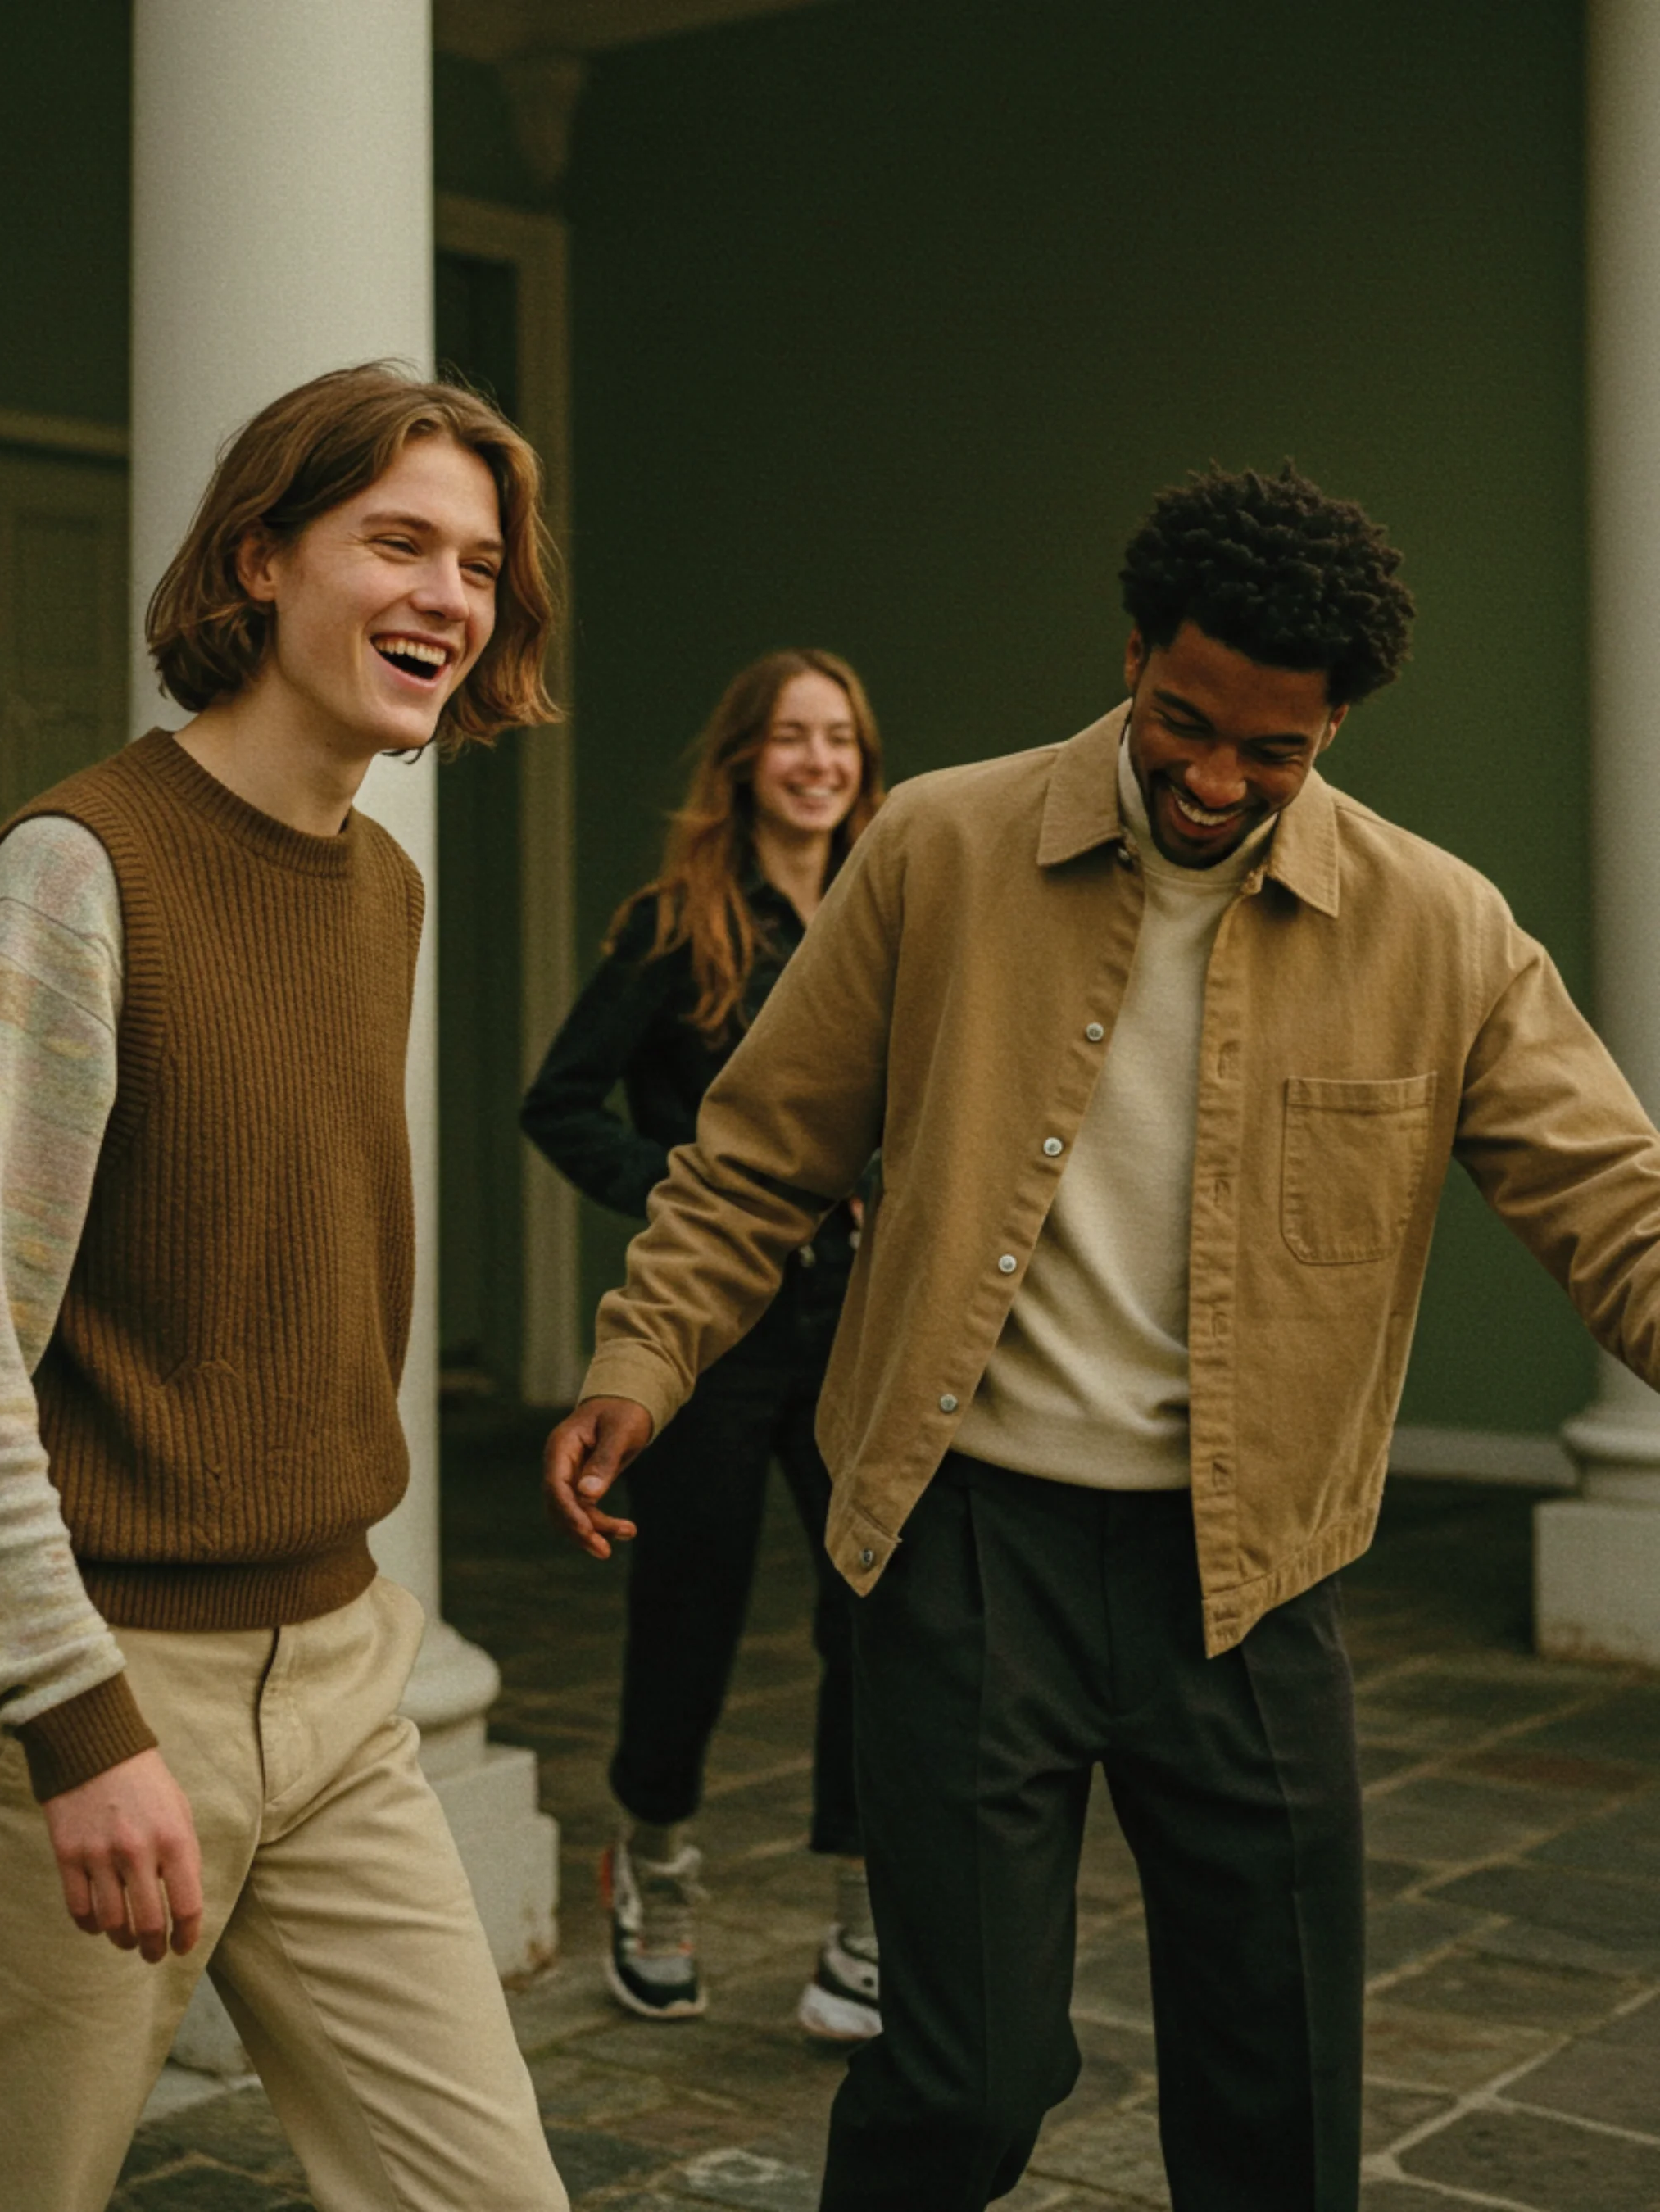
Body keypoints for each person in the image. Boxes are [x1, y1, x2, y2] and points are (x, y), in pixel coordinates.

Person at [542, 464, 1660, 2212]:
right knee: (964, 2087)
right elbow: (758, 1153)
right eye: (1182, 724)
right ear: (1134, 654)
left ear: (1336, 729)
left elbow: (1618, 1209)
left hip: (1256, 1577)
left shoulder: (1441, 929)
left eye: (1271, 753)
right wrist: (641, 1360)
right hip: (968, 1548)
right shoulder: (939, 850)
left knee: (1279, 2102)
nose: (1214, 780)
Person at [0, 363, 569, 2212]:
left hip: (344, 1678)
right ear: (260, 562)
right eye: (399, 543)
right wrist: (72, 1719)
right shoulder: (76, 873)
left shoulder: (382, 890)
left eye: (481, 565)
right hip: (113, 1694)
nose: (449, 594)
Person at [521, 650, 886, 2037]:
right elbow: (560, 1103)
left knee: (873, 1611)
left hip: (860, 1328)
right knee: (692, 1614)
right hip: (719, 1337)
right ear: (743, 760)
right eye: (791, 737)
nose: (818, 761)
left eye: (840, 738)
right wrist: (693, 1182)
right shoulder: (674, 923)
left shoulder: (889, 905)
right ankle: (655, 1866)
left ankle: (862, 1906)